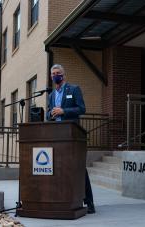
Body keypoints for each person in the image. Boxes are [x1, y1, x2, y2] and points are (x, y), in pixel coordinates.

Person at [46, 64, 95, 214]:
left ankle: (89, 202)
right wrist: (51, 114)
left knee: (79, 168)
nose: (56, 76)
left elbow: (81, 109)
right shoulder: (51, 95)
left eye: (58, 73)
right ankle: (63, 199)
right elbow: (48, 114)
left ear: (64, 74)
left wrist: (63, 111)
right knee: (59, 168)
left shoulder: (73, 89)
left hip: (73, 135)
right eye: (53, 74)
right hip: (57, 135)